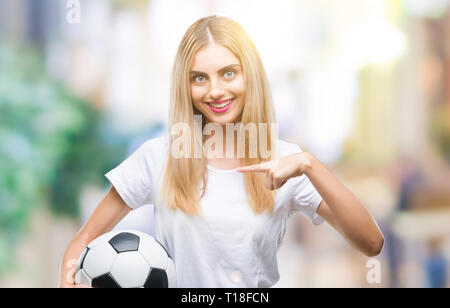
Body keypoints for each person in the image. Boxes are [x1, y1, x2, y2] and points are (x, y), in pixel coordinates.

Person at [59, 15, 384, 288]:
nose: (215, 90)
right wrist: (69, 279)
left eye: (229, 73)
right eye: (200, 78)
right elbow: (82, 241)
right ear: (184, 86)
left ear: (249, 76)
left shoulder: (285, 161)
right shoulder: (159, 157)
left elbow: (371, 243)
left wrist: (310, 165)